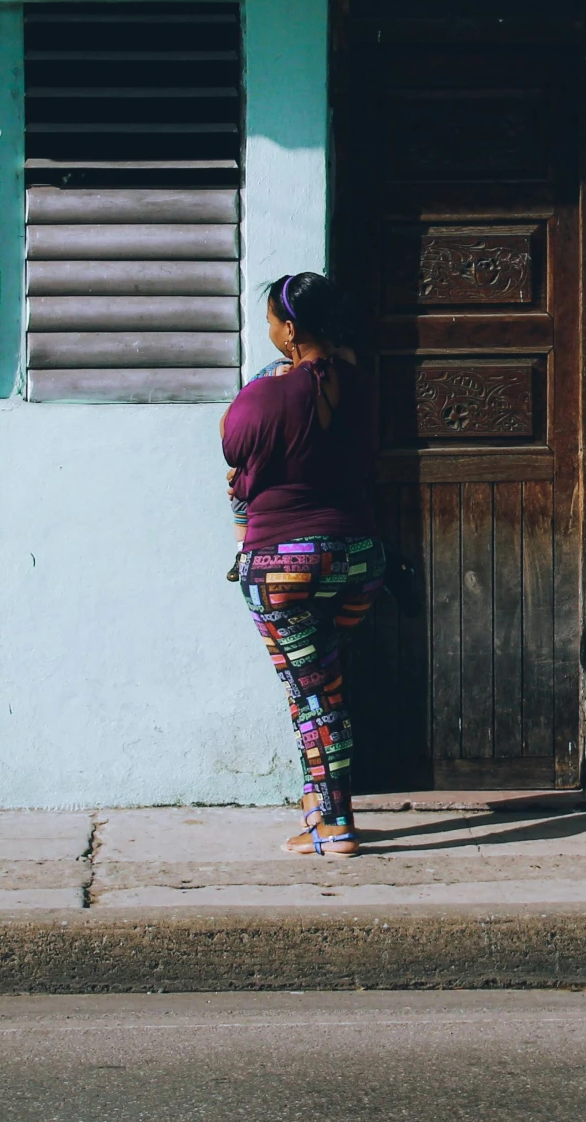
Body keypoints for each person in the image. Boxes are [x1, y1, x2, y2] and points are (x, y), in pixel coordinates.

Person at [220, 272, 383, 857]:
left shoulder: (264, 395)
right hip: (359, 561)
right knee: (312, 679)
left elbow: (234, 449)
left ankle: (335, 824)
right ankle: (317, 795)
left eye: (269, 322)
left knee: (317, 695)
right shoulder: (363, 385)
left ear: (290, 331)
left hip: (284, 566)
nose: (267, 330)